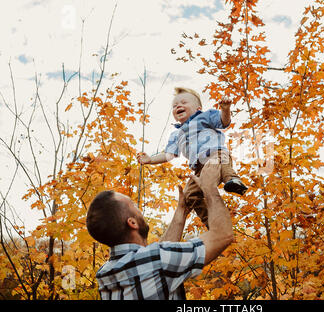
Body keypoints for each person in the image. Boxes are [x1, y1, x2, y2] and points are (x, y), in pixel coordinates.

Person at [86, 160, 234, 300]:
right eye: (133, 206)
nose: (139, 211)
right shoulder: (156, 260)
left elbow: (153, 263)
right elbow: (223, 235)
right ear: (132, 223)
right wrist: (209, 188)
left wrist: (181, 211)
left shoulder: (105, 274)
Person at [137, 87, 247, 227]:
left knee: (221, 163)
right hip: (198, 169)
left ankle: (233, 180)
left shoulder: (205, 116)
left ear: (198, 108)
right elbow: (169, 154)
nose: (178, 106)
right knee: (189, 195)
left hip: (216, 152)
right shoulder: (176, 135)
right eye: (175, 105)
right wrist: (150, 160)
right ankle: (211, 223)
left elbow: (223, 122)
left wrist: (225, 109)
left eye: (183, 102)